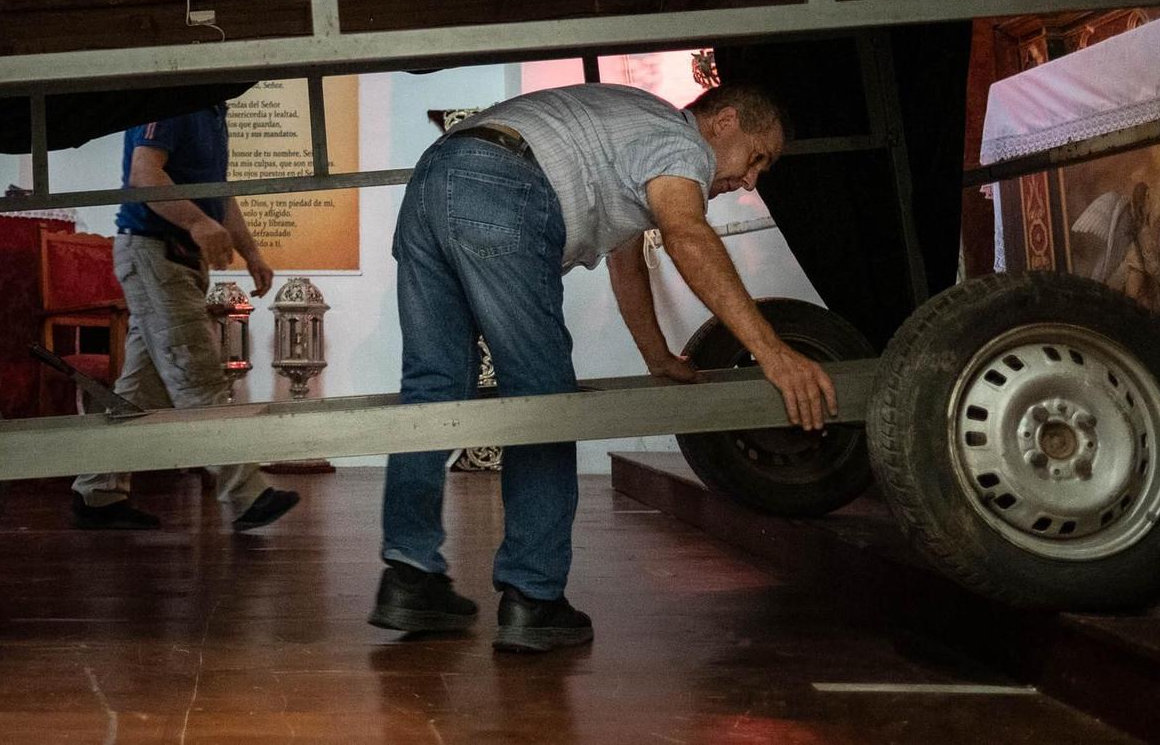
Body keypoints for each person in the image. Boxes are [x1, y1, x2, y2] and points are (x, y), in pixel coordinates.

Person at [370, 81, 836, 652]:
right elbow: (687, 233)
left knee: (435, 386)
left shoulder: (629, 134)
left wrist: (657, 356)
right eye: (757, 158)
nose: (750, 180)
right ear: (725, 122)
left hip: (434, 178)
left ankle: (409, 578)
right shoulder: (679, 139)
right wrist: (776, 353)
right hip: (501, 183)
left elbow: (627, 263)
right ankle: (533, 598)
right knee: (543, 400)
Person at [71, 104, 301, 532]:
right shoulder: (174, 100)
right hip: (154, 251)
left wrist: (251, 252)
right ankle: (245, 495)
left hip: (176, 258)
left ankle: (97, 492)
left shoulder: (211, 110)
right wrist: (197, 223)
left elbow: (219, 194)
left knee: (143, 386)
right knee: (197, 373)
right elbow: (145, 174)